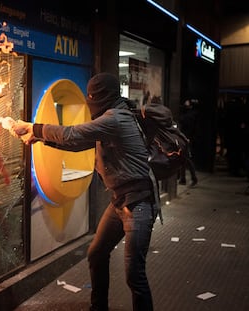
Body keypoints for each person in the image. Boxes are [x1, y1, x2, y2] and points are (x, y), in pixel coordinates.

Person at [11, 73, 159, 311]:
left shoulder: (115, 118)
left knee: (135, 275)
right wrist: (40, 139)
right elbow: (79, 143)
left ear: (102, 97)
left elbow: (74, 134)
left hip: (139, 203)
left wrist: (34, 127)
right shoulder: (110, 116)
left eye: (93, 97)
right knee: (97, 253)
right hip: (120, 202)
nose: (90, 102)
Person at [178, 99, 198, 186]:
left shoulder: (190, 115)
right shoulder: (191, 114)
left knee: (187, 159)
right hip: (186, 138)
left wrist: (188, 137)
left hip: (186, 138)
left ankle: (193, 178)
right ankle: (183, 179)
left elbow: (184, 122)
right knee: (183, 158)